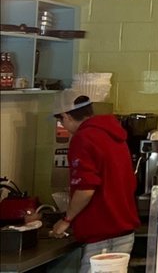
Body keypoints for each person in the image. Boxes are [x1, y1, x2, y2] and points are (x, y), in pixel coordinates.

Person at [47, 90, 139, 271]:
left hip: (104, 235)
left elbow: (86, 189)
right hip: (122, 232)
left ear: (66, 116)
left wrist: (66, 219)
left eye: (61, 121)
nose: (63, 126)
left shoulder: (83, 138)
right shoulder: (114, 134)